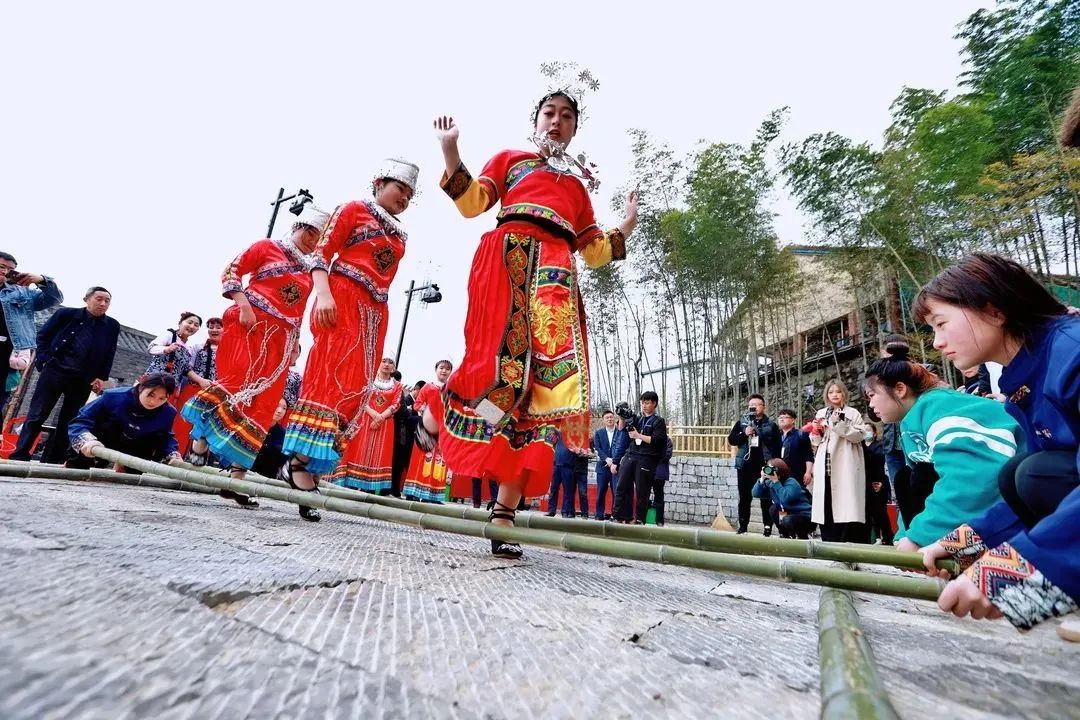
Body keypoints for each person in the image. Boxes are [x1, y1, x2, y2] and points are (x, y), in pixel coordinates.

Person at [430, 83, 637, 558]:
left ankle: (504, 511)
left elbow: (595, 250)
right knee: (496, 370)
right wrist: (450, 148)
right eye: (549, 112)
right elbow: (473, 204)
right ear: (536, 119)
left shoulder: (578, 188)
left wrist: (624, 226)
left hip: (555, 279)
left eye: (567, 115)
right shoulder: (512, 159)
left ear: (575, 128)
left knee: (544, 392)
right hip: (506, 260)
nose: (557, 121)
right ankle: (439, 408)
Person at [911, 252, 1079, 640]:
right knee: (1024, 474)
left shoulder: (1073, 352)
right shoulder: (1027, 375)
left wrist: (1016, 573)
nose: (937, 343)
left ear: (993, 311)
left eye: (941, 324)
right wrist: (970, 542)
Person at [282, 160, 418, 503]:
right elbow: (321, 256)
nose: (404, 198)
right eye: (400, 189)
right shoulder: (353, 210)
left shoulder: (400, 233)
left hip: (375, 309)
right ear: (379, 182)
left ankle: (313, 463)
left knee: (358, 384)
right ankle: (297, 463)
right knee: (331, 374)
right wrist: (324, 294)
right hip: (341, 297)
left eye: (410, 195)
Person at [183, 205, 326, 514]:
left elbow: (299, 311)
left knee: (262, 407)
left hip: (280, 340)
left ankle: (235, 480)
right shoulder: (267, 246)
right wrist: (244, 304)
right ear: (300, 227)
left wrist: (294, 343)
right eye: (311, 233)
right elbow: (231, 271)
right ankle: (200, 442)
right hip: (250, 327)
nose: (312, 241)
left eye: (318, 237)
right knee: (234, 387)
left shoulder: (308, 271)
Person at [863, 346, 1016, 551]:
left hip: (1015, 497)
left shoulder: (941, 407)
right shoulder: (910, 422)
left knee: (920, 475)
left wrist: (919, 536)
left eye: (872, 395)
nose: (870, 404)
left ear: (900, 389)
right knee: (906, 477)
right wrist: (905, 534)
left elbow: (971, 475)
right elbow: (912, 488)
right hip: (988, 502)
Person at [11, 287, 119, 463]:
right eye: (99, 299)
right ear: (86, 299)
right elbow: (43, 336)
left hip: (84, 378)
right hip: (55, 371)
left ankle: (55, 459)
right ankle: (20, 454)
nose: (103, 304)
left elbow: (110, 352)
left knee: (70, 419)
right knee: (37, 414)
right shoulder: (65, 314)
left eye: (107, 301)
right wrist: (44, 360)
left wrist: (102, 377)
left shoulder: (112, 325)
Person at [67, 373, 181, 471]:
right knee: (79, 464)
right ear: (141, 387)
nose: (154, 402)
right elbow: (81, 420)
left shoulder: (168, 412)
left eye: (162, 399)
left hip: (135, 447)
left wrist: (172, 455)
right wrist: (87, 441)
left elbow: (166, 437)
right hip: (101, 441)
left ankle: (127, 470)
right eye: (151, 395)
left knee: (152, 443)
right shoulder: (113, 396)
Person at [327, 357, 403, 494]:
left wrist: (381, 417)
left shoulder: (397, 385)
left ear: (394, 367)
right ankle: (352, 484)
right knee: (358, 449)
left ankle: (371, 487)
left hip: (385, 424)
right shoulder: (368, 379)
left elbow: (396, 404)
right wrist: (374, 414)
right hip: (364, 419)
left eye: (390, 362)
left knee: (379, 453)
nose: (386, 364)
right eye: (384, 361)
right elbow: (360, 397)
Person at [809, 380, 870, 543]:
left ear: (844, 394)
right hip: (825, 464)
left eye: (838, 391)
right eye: (831, 392)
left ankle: (847, 542)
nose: (834, 395)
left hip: (845, 463)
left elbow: (859, 435)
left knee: (846, 503)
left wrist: (838, 424)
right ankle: (828, 540)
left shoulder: (852, 413)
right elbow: (816, 442)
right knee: (826, 504)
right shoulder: (821, 413)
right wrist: (816, 432)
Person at [0, 252, 63, 410]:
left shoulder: (21, 293)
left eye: (10, 269)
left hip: (6, 352)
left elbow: (54, 299)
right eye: (1, 267)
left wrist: (42, 280)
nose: (5, 271)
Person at [727, 394, 781, 535]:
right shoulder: (742, 423)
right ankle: (743, 526)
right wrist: (744, 433)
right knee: (744, 497)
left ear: (764, 407)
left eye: (757, 404)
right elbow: (732, 440)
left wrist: (774, 465)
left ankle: (767, 528)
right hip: (745, 465)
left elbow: (777, 446)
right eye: (751, 404)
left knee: (766, 498)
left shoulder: (771, 425)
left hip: (765, 465)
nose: (754, 407)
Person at [614, 391, 668, 525]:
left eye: (647, 402)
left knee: (642, 491)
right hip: (631, 454)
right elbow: (621, 428)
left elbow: (657, 440)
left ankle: (639, 519)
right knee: (622, 485)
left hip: (647, 458)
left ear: (654, 404)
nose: (644, 405)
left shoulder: (658, 421)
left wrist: (638, 436)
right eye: (643, 402)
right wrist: (622, 416)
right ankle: (620, 515)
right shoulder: (637, 418)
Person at [402, 361, 453, 502]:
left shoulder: (452, 390)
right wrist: (429, 412)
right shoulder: (427, 387)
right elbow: (417, 404)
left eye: (447, 369)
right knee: (420, 458)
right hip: (425, 427)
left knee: (439, 459)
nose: (444, 371)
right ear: (436, 369)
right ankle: (413, 492)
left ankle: (434, 495)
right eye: (441, 368)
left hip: (443, 429)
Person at [172, 316, 222, 454]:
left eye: (218, 327)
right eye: (211, 327)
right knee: (182, 424)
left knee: (205, 429)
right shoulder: (197, 347)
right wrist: (200, 380)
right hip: (193, 389)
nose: (214, 330)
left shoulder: (230, 350)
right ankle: (175, 454)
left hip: (215, 395)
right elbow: (187, 368)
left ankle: (197, 459)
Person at [752, 459, 813, 539]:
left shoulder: (791, 482)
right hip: (788, 515)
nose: (769, 471)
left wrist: (776, 481)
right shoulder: (772, 483)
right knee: (773, 509)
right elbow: (756, 494)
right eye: (767, 468)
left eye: (771, 469)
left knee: (787, 520)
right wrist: (761, 479)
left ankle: (803, 537)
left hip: (805, 517)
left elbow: (786, 499)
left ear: (779, 470)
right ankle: (786, 536)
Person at [145, 312, 202, 395]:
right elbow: (151, 348)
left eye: (196, 325)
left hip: (172, 387)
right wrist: (167, 349)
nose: (192, 326)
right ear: (180, 323)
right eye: (189, 322)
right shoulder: (170, 335)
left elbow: (185, 369)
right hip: (154, 382)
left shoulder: (189, 347)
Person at [591, 410, 626, 520]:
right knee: (601, 491)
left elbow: (623, 447)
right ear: (603, 420)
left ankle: (615, 515)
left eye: (611, 417)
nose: (610, 419)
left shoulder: (620, 432)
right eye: (607, 418)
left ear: (614, 418)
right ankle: (599, 514)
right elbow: (598, 448)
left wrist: (614, 461)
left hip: (616, 467)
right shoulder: (599, 433)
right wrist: (607, 459)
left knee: (616, 491)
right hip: (602, 467)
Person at [862, 424, 894, 545]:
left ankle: (887, 537)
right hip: (865, 482)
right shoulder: (859, 447)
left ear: (875, 433)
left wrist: (881, 483)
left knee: (880, 512)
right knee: (868, 512)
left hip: (878, 481)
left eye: (869, 430)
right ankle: (874, 537)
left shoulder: (879, 446)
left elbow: (878, 463)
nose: (866, 433)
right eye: (864, 430)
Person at [776, 408, 813, 487]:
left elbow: (808, 455)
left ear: (793, 420)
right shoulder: (776, 436)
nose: (782, 419)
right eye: (780, 417)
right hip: (778, 474)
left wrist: (808, 472)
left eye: (785, 417)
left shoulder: (801, 435)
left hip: (797, 475)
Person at [652, 435, 674, 526]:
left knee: (659, 496)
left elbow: (667, 455)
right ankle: (641, 518)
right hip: (646, 470)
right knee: (643, 495)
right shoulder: (648, 437)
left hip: (660, 472)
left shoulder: (667, 440)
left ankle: (659, 520)